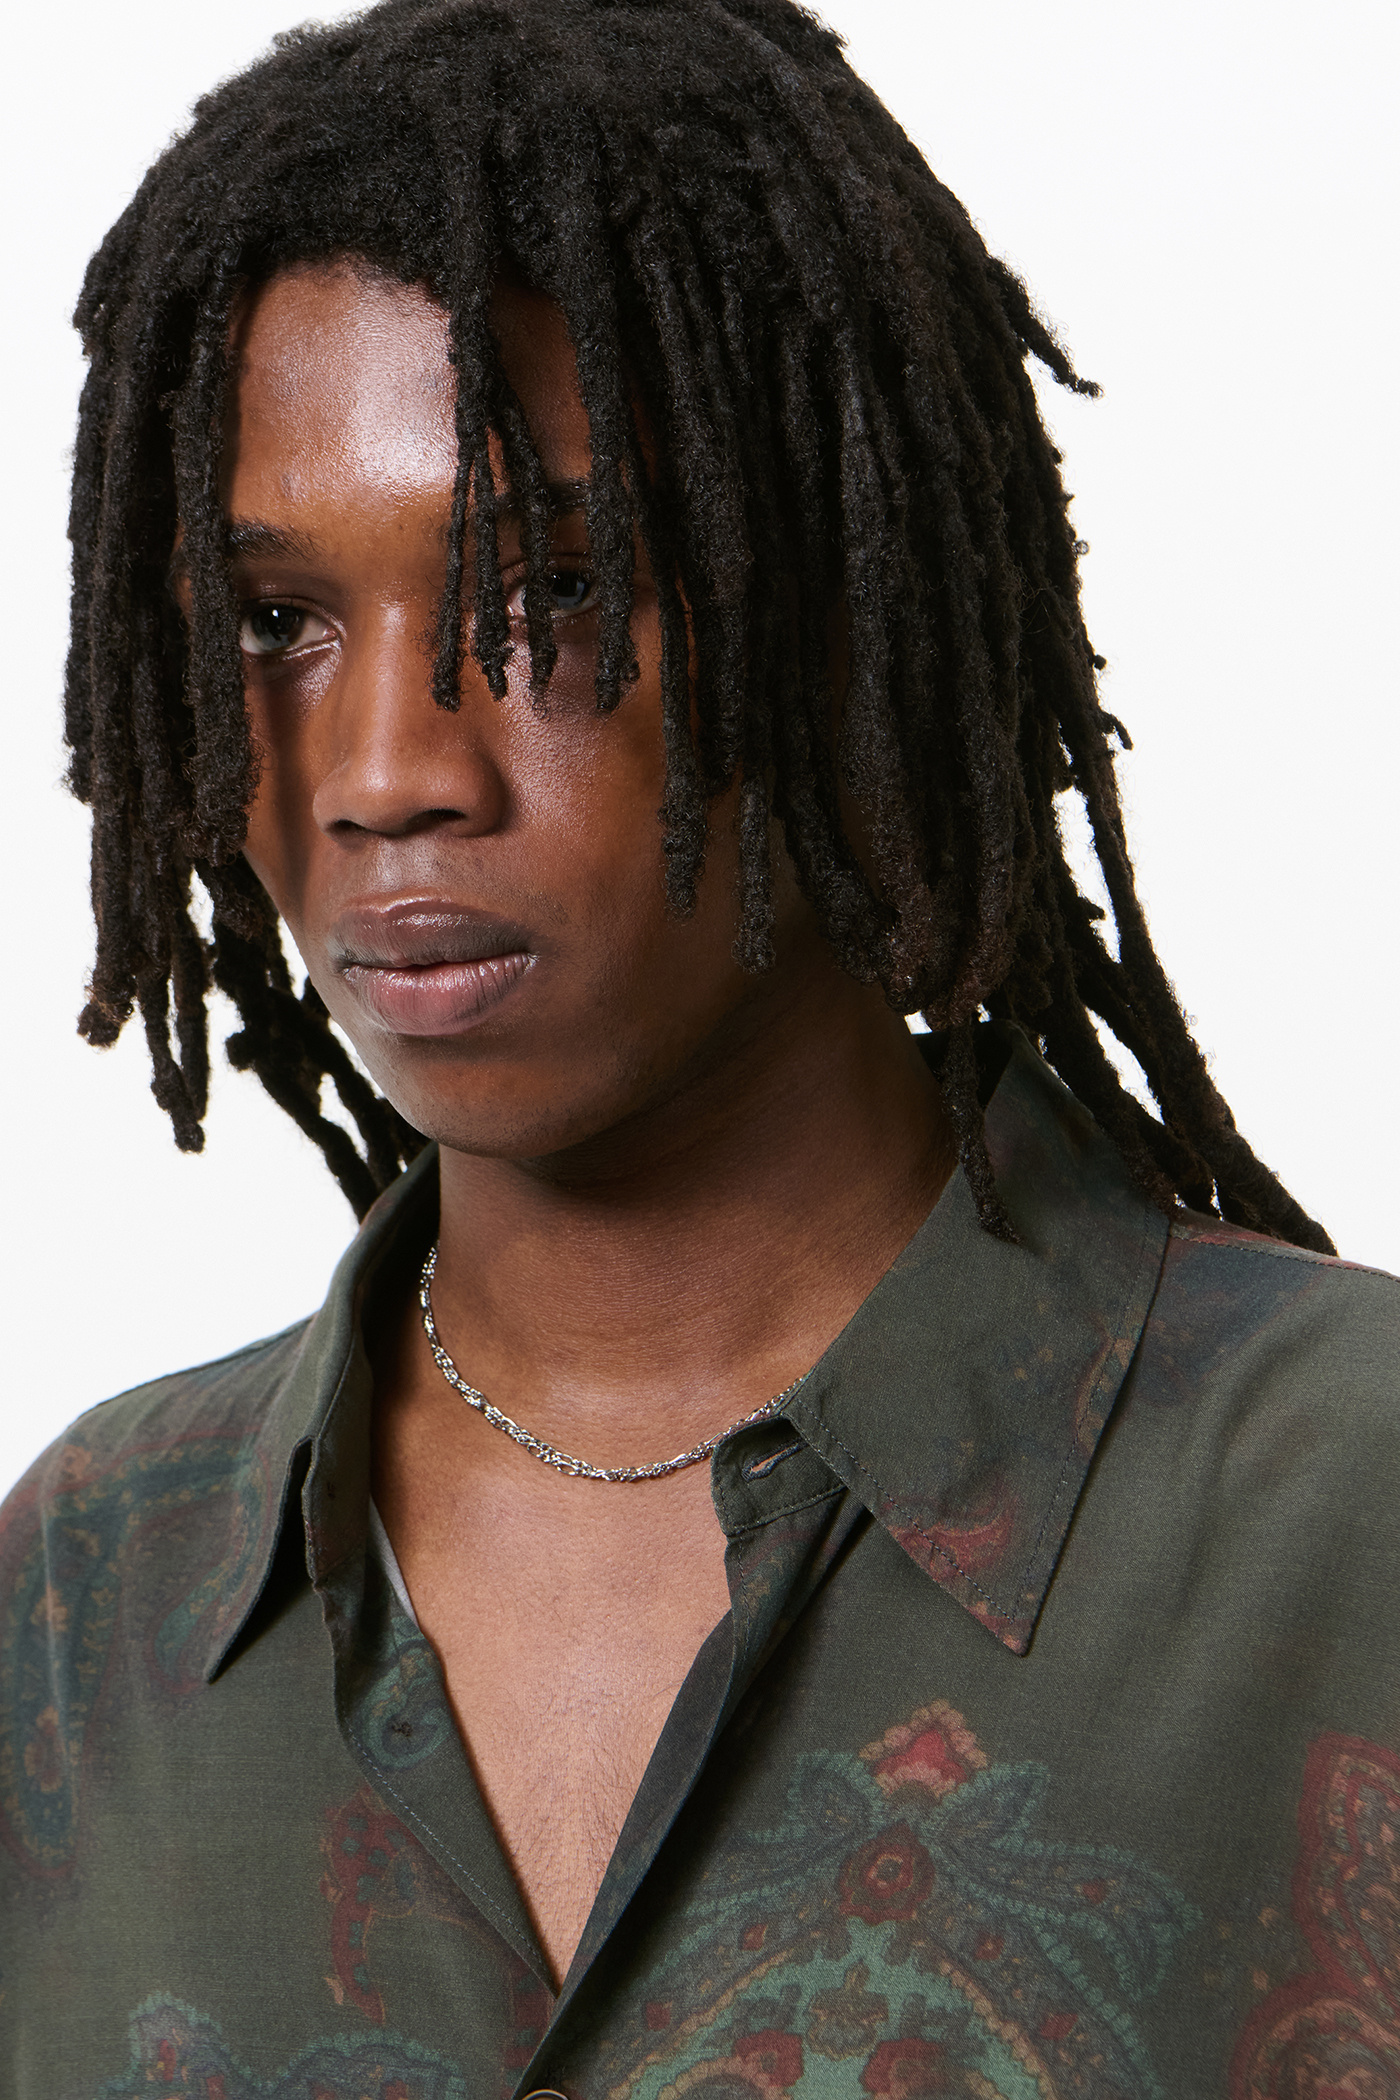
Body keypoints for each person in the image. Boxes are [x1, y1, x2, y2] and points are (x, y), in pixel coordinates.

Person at [1, 1, 1395, 2094]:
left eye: (552, 592)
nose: (383, 771)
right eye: (277, 622)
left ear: (841, 604)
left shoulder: (1353, 1514)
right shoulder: (87, 1592)